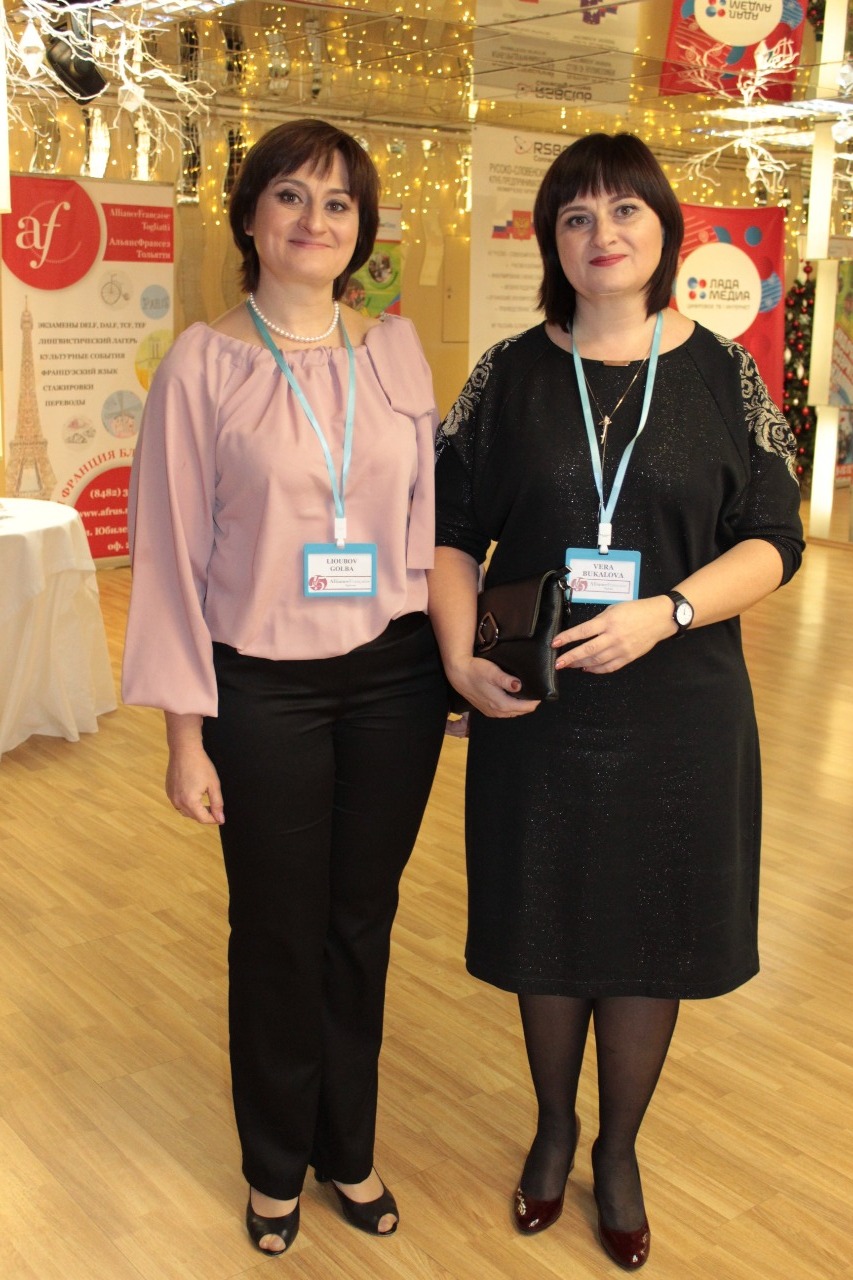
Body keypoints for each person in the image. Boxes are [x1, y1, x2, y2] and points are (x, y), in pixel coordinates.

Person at [427, 132, 804, 1270]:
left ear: (663, 228)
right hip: (537, 708)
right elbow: (448, 532)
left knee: (650, 934)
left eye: (624, 211)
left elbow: (774, 538)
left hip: (680, 711)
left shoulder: (726, 374)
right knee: (546, 927)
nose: (603, 235)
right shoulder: (506, 374)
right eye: (577, 216)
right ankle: (552, 1129)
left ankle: (619, 1147)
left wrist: (668, 610)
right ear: (552, 240)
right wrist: (456, 661)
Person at [122, 119, 448, 1256]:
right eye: (292, 197)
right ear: (252, 217)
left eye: (339, 202)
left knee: (361, 921)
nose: (316, 220)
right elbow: (168, 558)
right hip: (263, 689)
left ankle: (346, 1146)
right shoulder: (203, 365)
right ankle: (273, 1161)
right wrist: (185, 736)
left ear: (362, 230)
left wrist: (453, 661)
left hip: (394, 679)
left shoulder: (394, 350)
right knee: (275, 927)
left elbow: (426, 522)